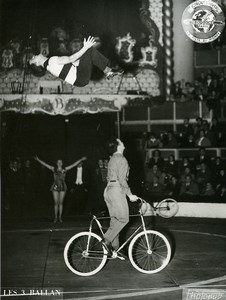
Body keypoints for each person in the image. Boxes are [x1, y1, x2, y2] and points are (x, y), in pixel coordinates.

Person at [29, 36, 121, 87]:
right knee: (89, 49)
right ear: (37, 64)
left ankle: (108, 71)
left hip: (80, 79)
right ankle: (108, 71)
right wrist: (85, 47)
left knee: (89, 52)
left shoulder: (49, 66)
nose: (33, 56)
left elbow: (70, 64)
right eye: (32, 59)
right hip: (80, 76)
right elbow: (70, 59)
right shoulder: (51, 61)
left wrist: (80, 61)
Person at [103, 138, 138, 253]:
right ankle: (106, 239)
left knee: (115, 220)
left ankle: (116, 248)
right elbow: (122, 180)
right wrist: (130, 194)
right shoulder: (122, 159)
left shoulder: (112, 158)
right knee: (123, 219)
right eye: (121, 142)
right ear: (119, 146)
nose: (123, 143)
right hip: (117, 190)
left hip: (108, 190)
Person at [34, 156, 87, 222]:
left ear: (62, 163)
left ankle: (60, 217)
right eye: (58, 162)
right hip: (55, 186)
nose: (59, 163)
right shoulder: (53, 168)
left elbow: (73, 165)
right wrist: (38, 159)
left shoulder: (65, 169)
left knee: (61, 203)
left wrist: (81, 159)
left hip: (62, 186)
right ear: (56, 163)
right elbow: (45, 164)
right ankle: (55, 217)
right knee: (56, 203)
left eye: (60, 162)